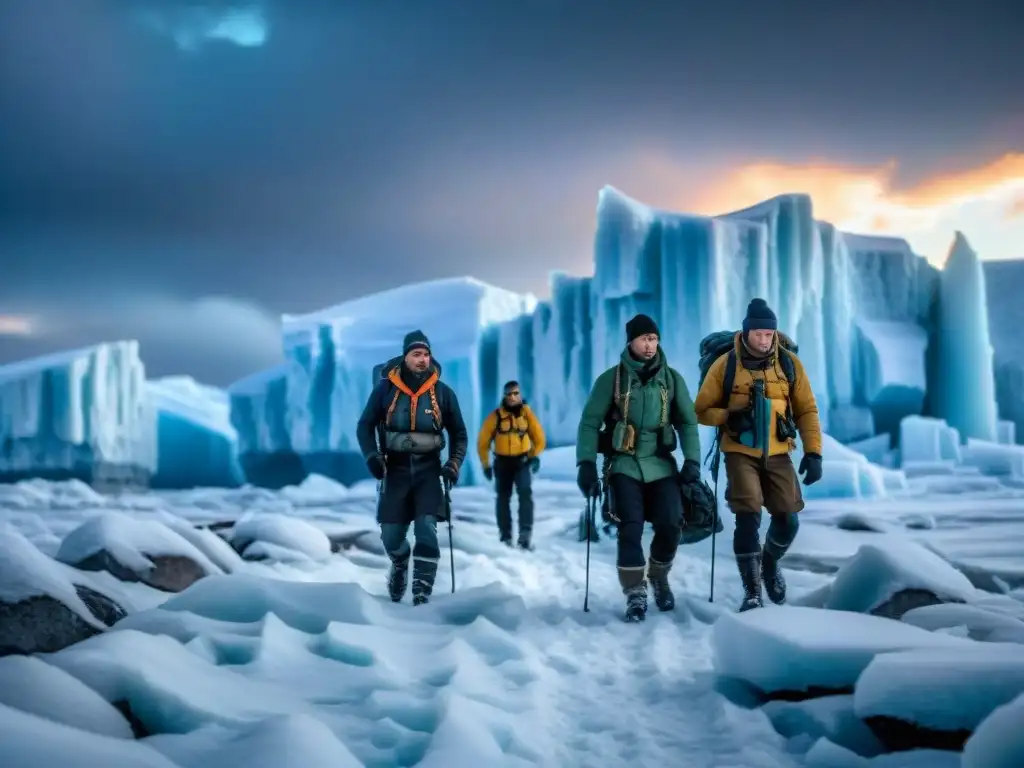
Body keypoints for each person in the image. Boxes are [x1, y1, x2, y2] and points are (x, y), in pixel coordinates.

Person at [693, 298, 823, 612]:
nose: (764, 340)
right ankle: (752, 593)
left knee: (788, 521)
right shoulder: (726, 365)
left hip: (779, 452)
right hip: (740, 451)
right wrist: (727, 417)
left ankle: (769, 564)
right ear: (747, 332)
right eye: (759, 334)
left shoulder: (789, 364)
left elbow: (806, 409)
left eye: (769, 334)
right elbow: (701, 410)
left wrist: (813, 452)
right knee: (747, 516)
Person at [575, 314, 703, 622]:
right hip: (624, 465)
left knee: (671, 523)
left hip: (661, 465)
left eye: (654, 339)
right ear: (630, 341)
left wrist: (693, 461)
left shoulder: (671, 379)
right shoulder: (611, 379)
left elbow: (687, 421)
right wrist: (586, 464)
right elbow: (590, 423)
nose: (650, 345)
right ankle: (635, 591)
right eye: (644, 338)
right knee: (629, 526)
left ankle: (658, 575)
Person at [356, 330, 468, 605]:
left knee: (427, 528)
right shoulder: (385, 390)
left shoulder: (443, 393)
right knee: (391, 535)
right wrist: (372, 457)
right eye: (416, 354)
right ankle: (400, 562)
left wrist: (454, 463)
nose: (422, 360)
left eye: (426, 354)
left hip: (429, 469)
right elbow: (365, 426)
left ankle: (421, 592)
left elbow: (459, 433)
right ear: (405, 357)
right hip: (394, 469)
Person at [476, 380, 547, 549]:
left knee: (525, 496)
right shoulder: (496, 416)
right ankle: (505, 537)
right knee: (502, 499)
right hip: (502, 463)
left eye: (515, 393)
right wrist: (485, 464)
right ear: (504, 395)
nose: (512, 397)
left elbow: (539, 438)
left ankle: (525, 535)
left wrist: (534, 456)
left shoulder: (526, 415)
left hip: (521, 462)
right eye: (509, 394)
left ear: (520, 394)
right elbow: (483, 442)